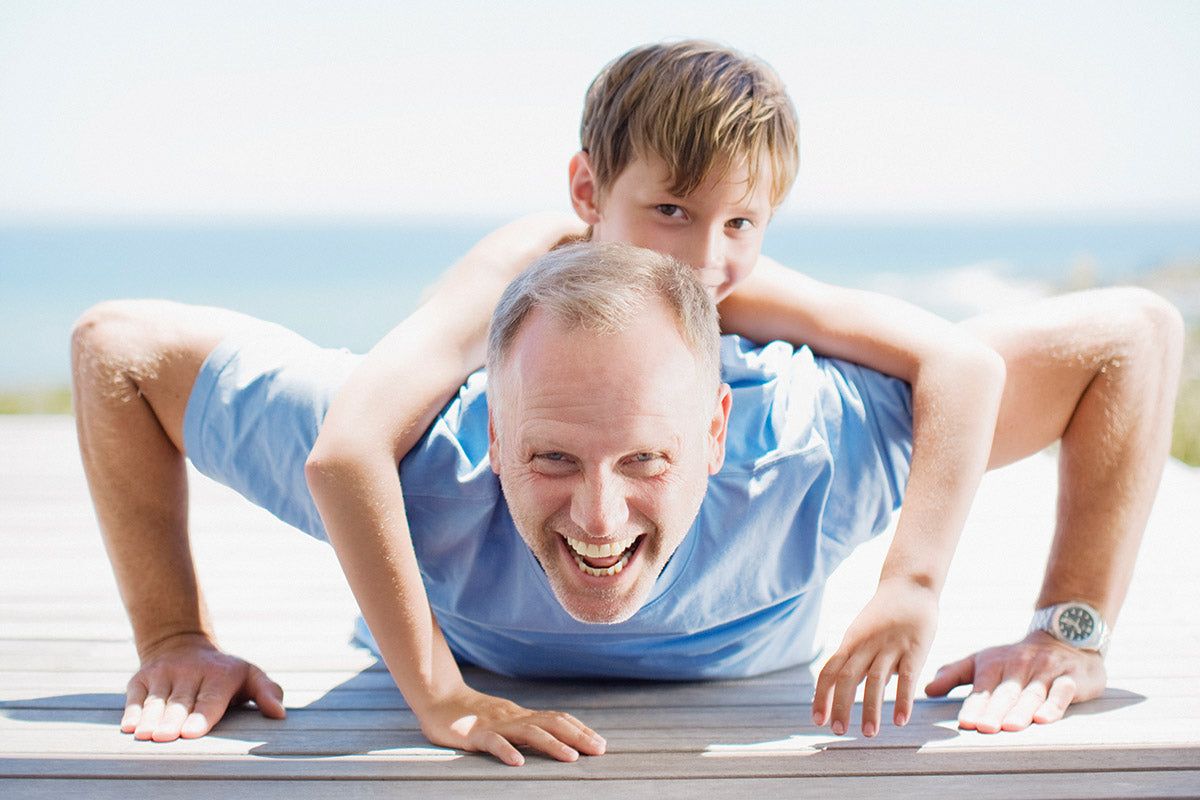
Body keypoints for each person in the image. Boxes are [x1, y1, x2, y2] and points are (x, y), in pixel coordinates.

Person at [71, 40, 1184, 765]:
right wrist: (427, 693)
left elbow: (1096, 343)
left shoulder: (802, 412)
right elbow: (308, 426)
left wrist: (1021, 618)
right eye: (671, 213)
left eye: (740, 224)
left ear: (713, 432)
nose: (706, 258)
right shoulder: (502, 310)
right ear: (588, 194)